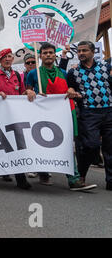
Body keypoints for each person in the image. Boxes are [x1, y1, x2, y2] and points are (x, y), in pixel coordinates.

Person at [26, 42, 97, 191]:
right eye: (45, 53)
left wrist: (73, 93)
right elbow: (26, 92)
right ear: (41, 56)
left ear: (54, 55)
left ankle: (74, 179)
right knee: (42, 143)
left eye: (51, 52)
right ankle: (43, 171)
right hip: (42, 114)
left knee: (66, 145)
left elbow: (72, 90)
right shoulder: (34, 74)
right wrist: (30, 93)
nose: (48, 55)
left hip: (63, 114)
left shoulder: (65, 73)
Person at [66, 40, 112, 191]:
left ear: (93, 52)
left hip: (108, 111)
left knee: (110, 148)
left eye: (84, 50)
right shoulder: (73, 72)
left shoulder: (106, 67)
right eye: (79, 51)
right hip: (88, 113)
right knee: (91, 145)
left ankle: (110, 181)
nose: (81, 53)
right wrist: (71, 92)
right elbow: (70, 88)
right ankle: (82, 174)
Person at [0, 48, 36, 189]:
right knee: (2, 144)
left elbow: (22, 92)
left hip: (15, 115)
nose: (7, 59)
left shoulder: (17, 74)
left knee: (17, 144)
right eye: (4, 57)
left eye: (9, 56)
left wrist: (28, 91)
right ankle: (4, 169)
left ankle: (20, 178)